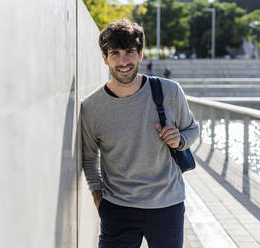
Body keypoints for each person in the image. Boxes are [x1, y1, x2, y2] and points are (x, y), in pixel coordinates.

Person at [81, 19, 199, 248]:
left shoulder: (169, 91)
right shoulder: (91, 107)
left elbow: (193, 130)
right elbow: (88, 157)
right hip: (117, 210)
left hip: (167, 206)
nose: (123, 61)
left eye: (130, 52)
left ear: (141, 54)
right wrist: (98, 198)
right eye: (115, 53)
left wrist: (180, 140)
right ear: (105, 58)